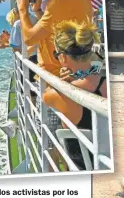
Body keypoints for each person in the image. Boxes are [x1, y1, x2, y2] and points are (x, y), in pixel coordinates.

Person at [42, 20, 107, 170]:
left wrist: (62, 82)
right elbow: (92, 77)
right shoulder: (105, 81)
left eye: (56, 54)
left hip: (87, 170)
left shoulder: (66, 95)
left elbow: (45, 95)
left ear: (63, 57)